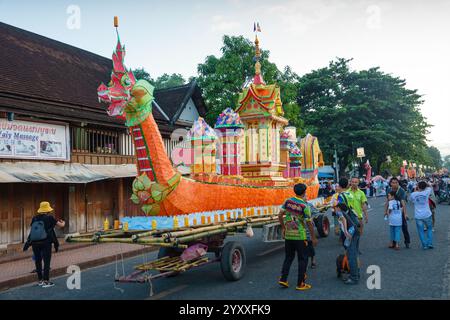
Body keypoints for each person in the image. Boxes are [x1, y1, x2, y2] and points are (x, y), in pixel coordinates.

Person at [278, 183, 317, 291]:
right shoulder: (305, 206)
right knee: (302, 259)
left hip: (289, 235)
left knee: (288, 258)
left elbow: (280, 215)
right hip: (300, 236)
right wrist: (313, 238)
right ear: (305, 192)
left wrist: (283, 228)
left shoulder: (287, 201)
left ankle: (283, 279)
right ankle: (300, 284)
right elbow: (309, 223)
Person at [23, 201, 65, 288]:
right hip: (46, 242)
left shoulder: (34, 218)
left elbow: (32, 230)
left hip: (35, 242)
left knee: (38, 261)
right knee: (46, 261)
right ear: (48, 209)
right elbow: (61, 225)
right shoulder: (49, 218)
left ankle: (40, 281)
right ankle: (46, 281)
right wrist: (63, 222)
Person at [335, 201, 361, 285]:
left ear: (339, 208)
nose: (334, 209)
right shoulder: (346, 212)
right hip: (355, 232)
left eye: (335, 207)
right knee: (354, 254)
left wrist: (346, 232)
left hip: (351, 233)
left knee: (351, 256)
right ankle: (357, 273)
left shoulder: (339, 212)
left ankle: (354, 278)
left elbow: (343, 220)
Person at [385, 177, 411, 248]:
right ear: (390, 183)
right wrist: (385, 211)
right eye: (393, 183)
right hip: (392, 211)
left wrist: (405, 214)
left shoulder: (401, 190)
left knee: (404, 226)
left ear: (398, 183)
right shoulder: (388, 189)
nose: (394, 184)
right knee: (393, 227)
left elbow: (403, 203)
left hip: (400, 210)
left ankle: (407, 241)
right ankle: (393, 242)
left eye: (396, 182)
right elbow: (387, 201)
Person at [410, 181, 434, 249]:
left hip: (418, 215)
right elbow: (430, 186)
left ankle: (424, 245)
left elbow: (411, 200)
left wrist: (415, 190)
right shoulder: (427, 191)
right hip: (427, 214)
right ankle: (430, 243)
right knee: (429, 229)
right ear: (425, 187)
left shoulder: (413, 194)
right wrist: (426, 183)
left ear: (418, 187)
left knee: (421, 231)